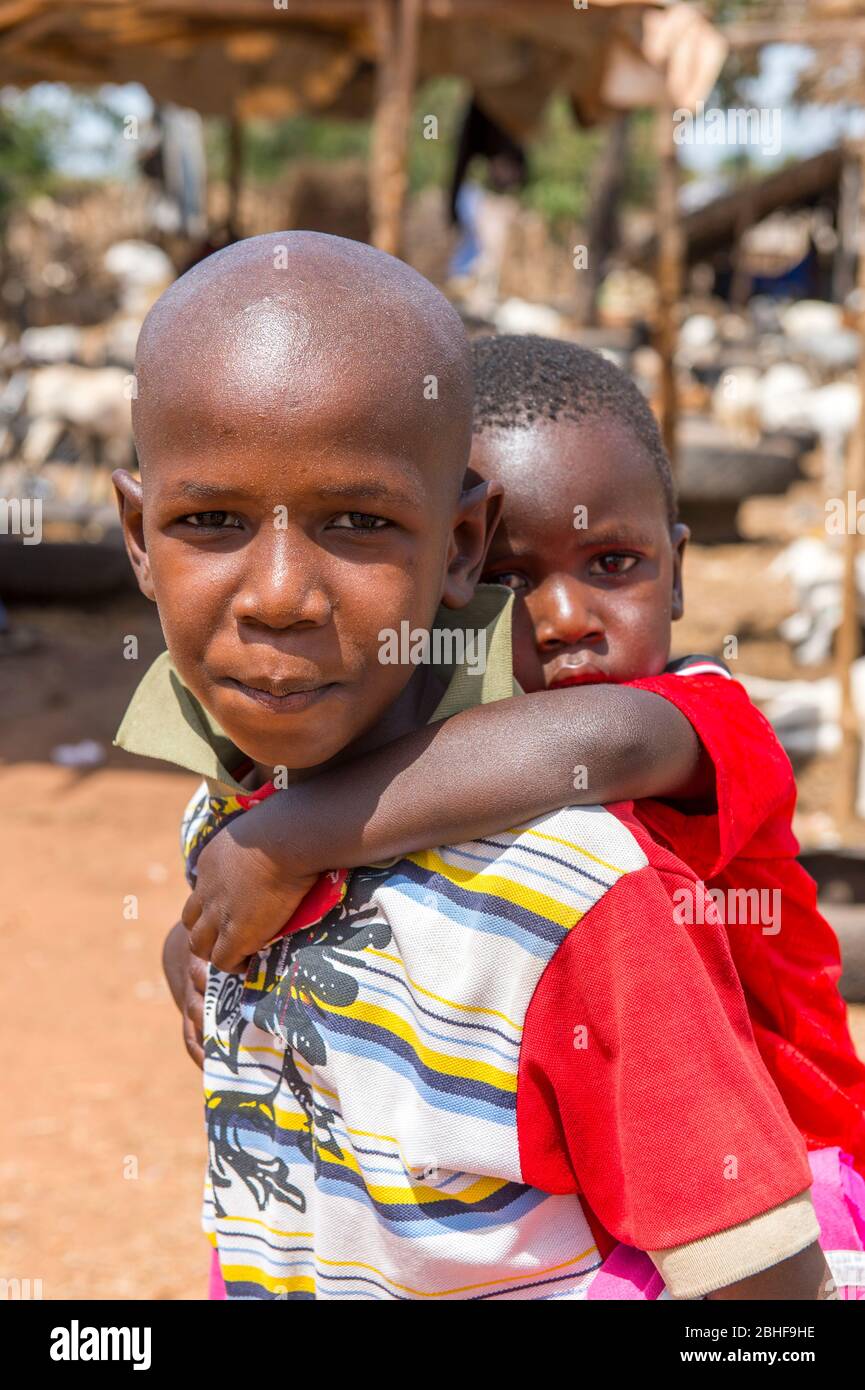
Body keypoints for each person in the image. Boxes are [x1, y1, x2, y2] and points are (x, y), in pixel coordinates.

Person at [116, 233, 830, 1300]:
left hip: (791, 1157)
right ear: (134, 532)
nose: (563, 621)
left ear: (452, 548)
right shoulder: (234, 796)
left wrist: (280, 844)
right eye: (210, 519)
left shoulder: (586, 857)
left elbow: (763, 1290)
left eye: (358, 522)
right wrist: (214, 913)